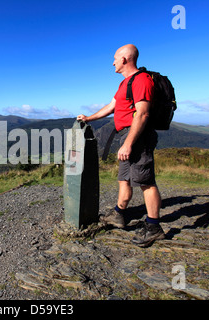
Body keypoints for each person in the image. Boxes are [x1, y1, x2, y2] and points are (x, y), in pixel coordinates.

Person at [77, 44, 165, 247]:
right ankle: (119, 214)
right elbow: (111, 106)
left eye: (115, 58)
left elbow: (142, 114)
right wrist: (89, 118)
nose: (113, 62)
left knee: (145, 181)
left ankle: (153, 227)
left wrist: (128, 143)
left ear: (125, 59)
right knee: (124, 178)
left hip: (137, 137)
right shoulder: (125, 83)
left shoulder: (141, 80)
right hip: (127, 135)